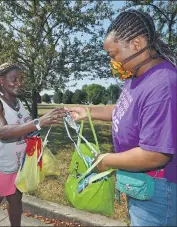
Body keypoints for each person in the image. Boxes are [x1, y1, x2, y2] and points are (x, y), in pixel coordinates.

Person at [68, 9, 176, 226]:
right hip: (141, 184)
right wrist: (88, 111)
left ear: (137, 44)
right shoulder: (136, 75)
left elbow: (156, 155)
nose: (113, 62)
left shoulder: (163, 84)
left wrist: (105, 161)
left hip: (158, 192)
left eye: (113, 54)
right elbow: (123, 109)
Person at [0, 62, 66, 226]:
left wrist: (42, 127)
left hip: (15, 166)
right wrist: (39, 122)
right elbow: (3, 132)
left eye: (21, 79)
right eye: (14, 79)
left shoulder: (18, 103)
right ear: (1, 80)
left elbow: (24, 128)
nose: (19, 83)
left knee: (16, 202)